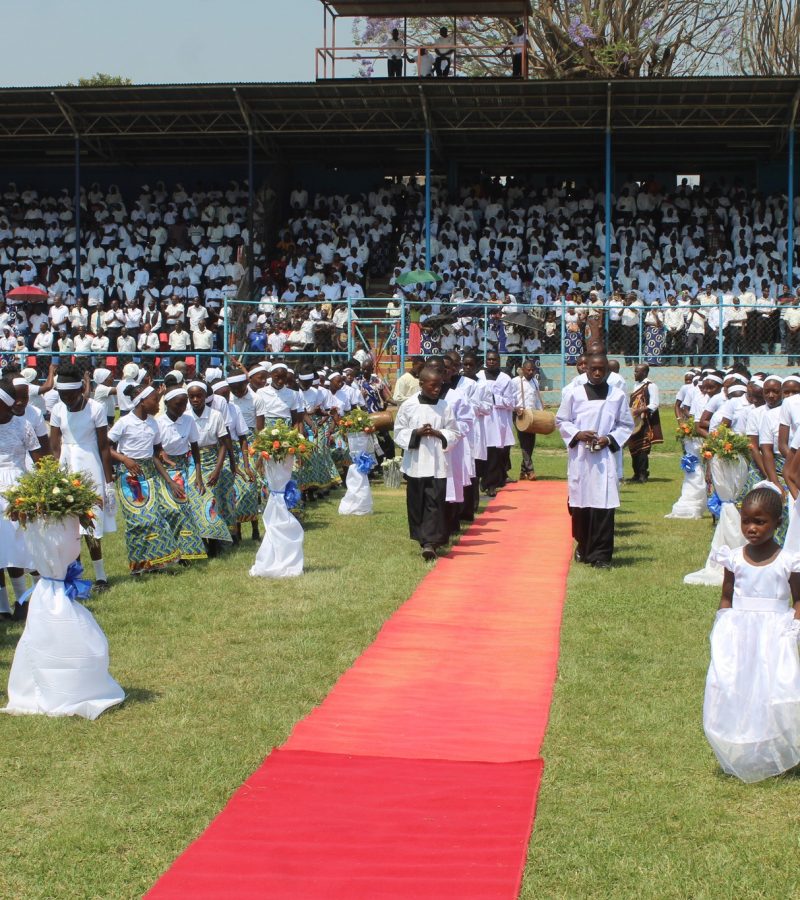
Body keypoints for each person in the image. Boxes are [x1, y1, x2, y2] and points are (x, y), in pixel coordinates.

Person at [703, 485, 800, 783]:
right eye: (746, 521)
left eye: (760, 522)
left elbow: (797, 600)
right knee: (738, 685)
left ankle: (776, 749)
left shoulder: (789, 561)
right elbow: (727, 595)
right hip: (740, 633)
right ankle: (745, 747)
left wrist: (794, 628)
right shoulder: (732, 558)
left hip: (775, 634)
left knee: (772, 689)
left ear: (777, 523)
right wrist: (723, 624)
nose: (752, 528)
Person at [556, 352, 634, 568]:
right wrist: (577, 434)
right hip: (580, 457)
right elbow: (561, 420)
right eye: (593, 369)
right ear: (586, 370)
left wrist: (608, 439)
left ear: (608, 371)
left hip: (603, 459)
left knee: (604, 504)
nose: (598, 373)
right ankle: (583, 546)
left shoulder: (617, 396)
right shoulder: (574, 394)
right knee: (580, 504)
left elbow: (626, 425)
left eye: (602, 369)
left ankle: (601, 555)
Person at [48, 364, 116, 591]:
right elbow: (55, 445)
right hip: (66, 466)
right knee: (69, 523)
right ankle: (75, 574)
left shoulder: (95, 408)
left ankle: (101, 576)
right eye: (61, 395)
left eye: (69, 395)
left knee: (90, 522)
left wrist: (108, 482)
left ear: (80, 390)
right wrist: (55, 474)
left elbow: (104, 446)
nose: (65, 399)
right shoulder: (58, 410)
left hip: (90, 466)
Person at [107, 383, 181, 574]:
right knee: (137, 521)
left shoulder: (153, 423)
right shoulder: (124, 423)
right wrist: (125, 459)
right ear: (142, 402)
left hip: (150, 474)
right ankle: (137, 566)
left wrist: (170, 481)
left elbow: (156, 454)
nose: (159, 404)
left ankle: (155, 562)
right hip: (129, 476)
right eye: (155, 400)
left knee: (155, 518)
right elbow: (106, 447)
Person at [394, 365, 459, 561]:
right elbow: (399, 432)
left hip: (437, 463)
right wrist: (416, 433)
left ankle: (430, 543)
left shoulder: (444, 406)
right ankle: (423, 538)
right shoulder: (409, 405)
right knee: (417, 503)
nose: (437, 389)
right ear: (421, 384)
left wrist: (440, 433)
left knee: (435, 502)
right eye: (433, 386)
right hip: (416, 463)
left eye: (440, 386)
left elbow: (455, 432)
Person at [0, 376, 44, 619]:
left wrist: (44, 490)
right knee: (1, 550)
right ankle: (3, 607)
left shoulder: (22, 426)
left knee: (20, 547)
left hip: (19, 488)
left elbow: (40, 461)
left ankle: (25, 600)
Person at [628, 363, 663, 483]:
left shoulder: (651, 386)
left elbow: (654, 404)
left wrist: (640, 410)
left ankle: (643, 474)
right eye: (635, 371)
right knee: (633, 448)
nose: (635, 374)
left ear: (644, 373)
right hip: (635, 421)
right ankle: (636, 473)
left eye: (637, 371)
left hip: (645, 421)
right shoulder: (636, 385)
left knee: (643, 448)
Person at [512, 358, 544, 481]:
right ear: (522, 370)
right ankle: (530, 470)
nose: (530, 372)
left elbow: (536, 399)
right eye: (528, 370)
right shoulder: (515, 381)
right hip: (520, 415)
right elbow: (510, 398)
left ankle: (523, 470)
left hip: (532, 415)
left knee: (530, 442)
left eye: (532, 370)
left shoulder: (535, 382)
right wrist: (516, 409)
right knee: (524, 442)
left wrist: (541, 413)